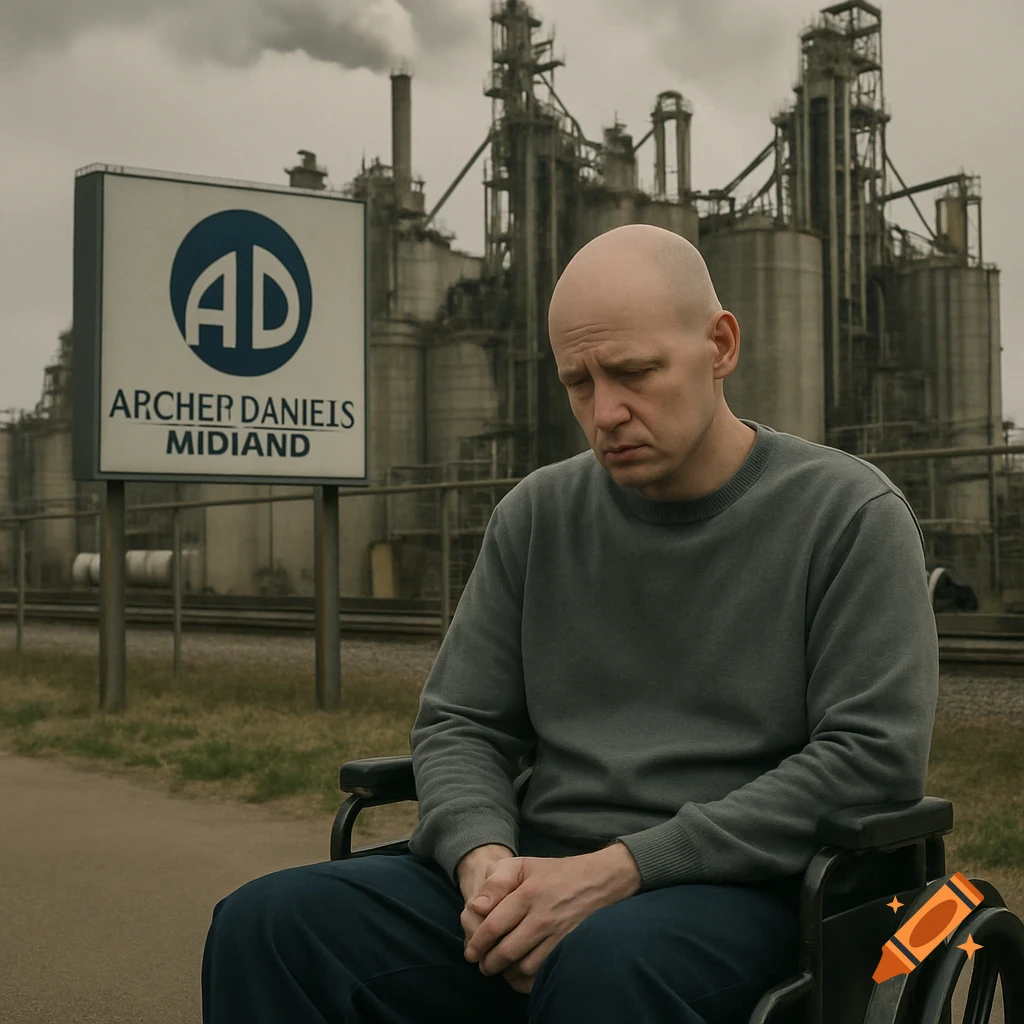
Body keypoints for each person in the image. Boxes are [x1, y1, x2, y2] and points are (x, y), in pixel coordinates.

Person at [201, 224, 939, 1023]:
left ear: (720, 345)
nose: (606, 411)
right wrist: (485, 865)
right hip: (534, 870)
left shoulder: (848, 515)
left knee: (602, 968)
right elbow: (459, 723)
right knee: (266, 925)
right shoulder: (536, 515)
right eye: (578, 383)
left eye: (634, 372)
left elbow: (870, 761)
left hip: (745, 891)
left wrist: (617, 871)